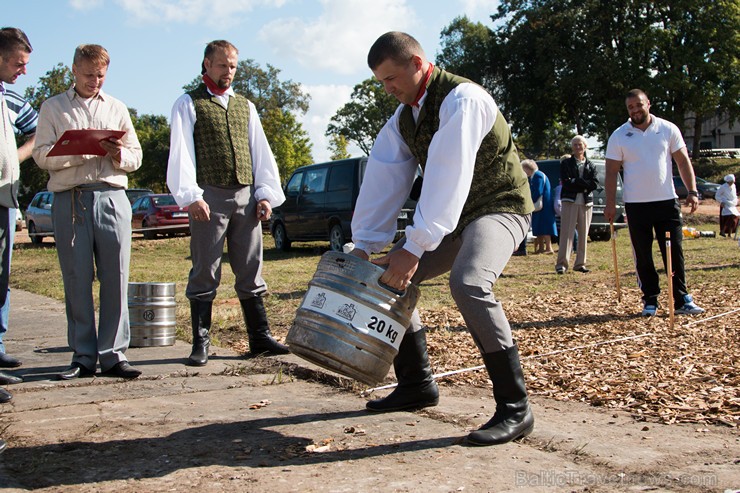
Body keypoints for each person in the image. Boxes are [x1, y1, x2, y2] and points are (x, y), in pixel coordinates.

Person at [350, 32, 535, 446]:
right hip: (453, 220)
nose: (388, 89)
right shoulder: (402, 120)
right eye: (381, 82)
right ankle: (417, 384)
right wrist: (363, 244)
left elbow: (446, 176)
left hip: (499, 206)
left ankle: (515, 408)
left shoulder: (463, 99)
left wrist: (413, 246)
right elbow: (383, 181)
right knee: (390, 281)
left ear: (418, 63)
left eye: (392, 78)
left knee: (469, 283)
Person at [167, 40, 288, 367]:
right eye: (222, 65)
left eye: (233, 66)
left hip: (245, 196)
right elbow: (181, 154)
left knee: (251, 268)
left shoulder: (245, 106)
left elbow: (260, 152)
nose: (228, 72)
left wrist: (264, 194)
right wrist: (192, 196)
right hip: (209, 196)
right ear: (206, 64)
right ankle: (201, 342)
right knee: (205, 268)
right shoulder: (188, 103)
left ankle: (260, 337)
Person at [32, 44, 143, 379]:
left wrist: (118, 154)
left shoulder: (117, 107)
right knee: (77, 277)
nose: (96, 81)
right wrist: (80, 152)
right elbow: (41, 156)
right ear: (74, 71)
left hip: (111, 197)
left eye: (101, 75)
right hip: (71, 200)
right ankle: (82, 355)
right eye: (89, 74)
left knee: (116, 276)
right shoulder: (53, 108)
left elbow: (136, 157)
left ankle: (113, 355)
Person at [605, 88, 704, 317]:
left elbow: (682, 161)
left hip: (666, 202)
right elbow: (611, 172)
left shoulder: (668, 129)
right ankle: (650, 299)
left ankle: (681, 298)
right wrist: (611, 203)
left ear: (648, 103)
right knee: (643, 254)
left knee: (673, 250)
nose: (635, 110)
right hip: (636, 205)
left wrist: (693, 191)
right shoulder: (619, 136)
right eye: (631, 107)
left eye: (639, 105)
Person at [0, 28, 35, 381]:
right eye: (18, 63)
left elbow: (38, 132)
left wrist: (15, 156)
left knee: (2, 274)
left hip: (4, 199)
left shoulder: (11, 99)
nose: (23, 71)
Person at [555, 136, 598, 274]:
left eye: (580, 144)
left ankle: (580, 264)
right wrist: (583, 184)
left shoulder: (591, 165)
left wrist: (577, 182)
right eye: (575, 145)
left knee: (584, 233)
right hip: (570, 201)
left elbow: (595, 184)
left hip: (586, 203)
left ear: (585, 146)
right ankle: (562, 264)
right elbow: (566, 182)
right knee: (566, 233)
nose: (577, 147)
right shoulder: (566, 163)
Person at [522, 159, 556, 254]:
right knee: (538, 226)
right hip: (541, 206)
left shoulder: (538, 175)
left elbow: (538, 191)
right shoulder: (535, 176)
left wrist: (530, 200)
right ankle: (541, 247)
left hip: (544, 206)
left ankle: (548, 248)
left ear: (528, 169)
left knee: (545, 226)